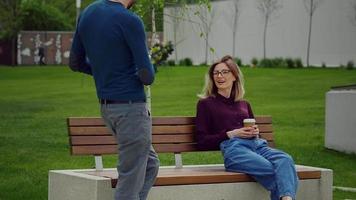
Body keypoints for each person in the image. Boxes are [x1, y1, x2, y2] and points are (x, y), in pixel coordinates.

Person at [68, 0, 159, 200]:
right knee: (129, 183)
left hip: (108, 109)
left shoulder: (88, 13)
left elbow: (74, 62)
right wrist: (152, 67)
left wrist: (105, 73)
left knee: (150, 165)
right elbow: (146, 76)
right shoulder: (130, 20)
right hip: (131, 109)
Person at [195, 55, 298, 200]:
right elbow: (201, 141)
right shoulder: (206, 104)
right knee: (276, 172)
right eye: (216, 73)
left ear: (234, 76)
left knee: (285, 160)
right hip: (234, 150)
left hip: (258, 146)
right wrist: (231, 133)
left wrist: (256, 132)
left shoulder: (244, 104)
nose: (219, 76)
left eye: (225, 72)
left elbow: (257, 134)